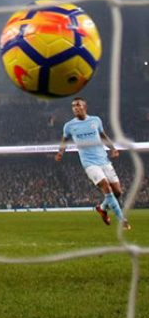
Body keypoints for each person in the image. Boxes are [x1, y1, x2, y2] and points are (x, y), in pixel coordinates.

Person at [55, 97, 130, 229]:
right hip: (89, 163)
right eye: (73, 106)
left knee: (118, 192)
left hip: (104, 160)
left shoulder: (95, 120)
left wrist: (113, 148)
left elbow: (103, 135)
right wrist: (61, 152)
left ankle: (102, 208)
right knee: (106, 186)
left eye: (78, 105)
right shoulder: (69, 125)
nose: (75, 108)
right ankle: (122, 220)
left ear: (85, 106)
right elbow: (64, 140)